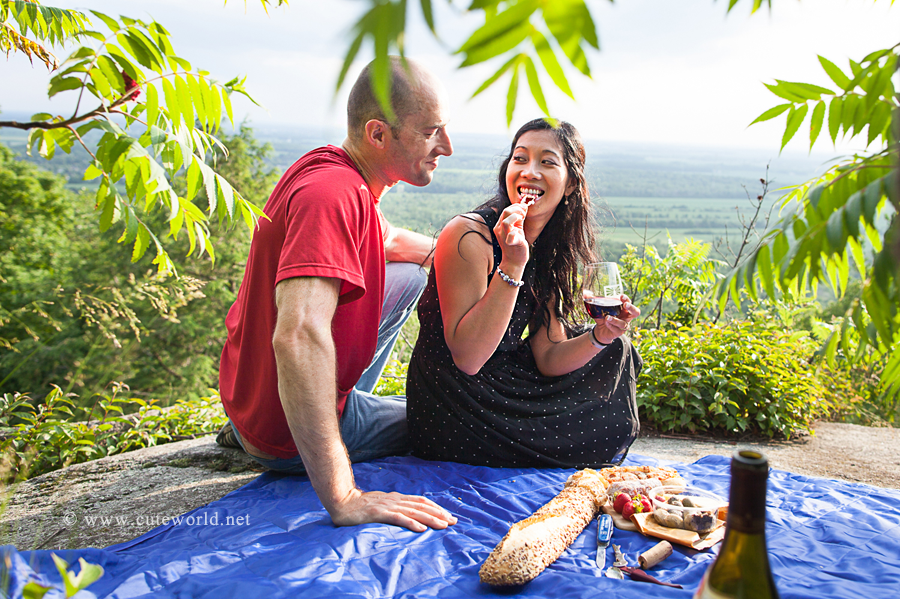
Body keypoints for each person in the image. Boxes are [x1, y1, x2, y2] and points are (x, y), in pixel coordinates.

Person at [217, 57, 457, 533]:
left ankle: (286, 418)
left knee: (410, 275)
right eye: (431, 132)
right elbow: (298, 336)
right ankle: (309, 434)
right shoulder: (332, 195)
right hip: (281, 431)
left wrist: (475, 260)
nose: (446, 147)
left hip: (254, 399)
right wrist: (345, 496)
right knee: (457, 420)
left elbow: (386, 243)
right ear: (378, 134)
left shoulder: (342, 172)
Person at [406, 118, 642, 468]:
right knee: (577, 435)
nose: (530, 171)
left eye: (547, 162)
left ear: (572, 183)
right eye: (520, 158)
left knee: (615, 352)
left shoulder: (549, 248)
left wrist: (600, 336)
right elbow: (468, 358)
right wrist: (512, 265)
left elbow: (548, 357)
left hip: (508, 385)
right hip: (456, 403)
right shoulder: (469, 236)